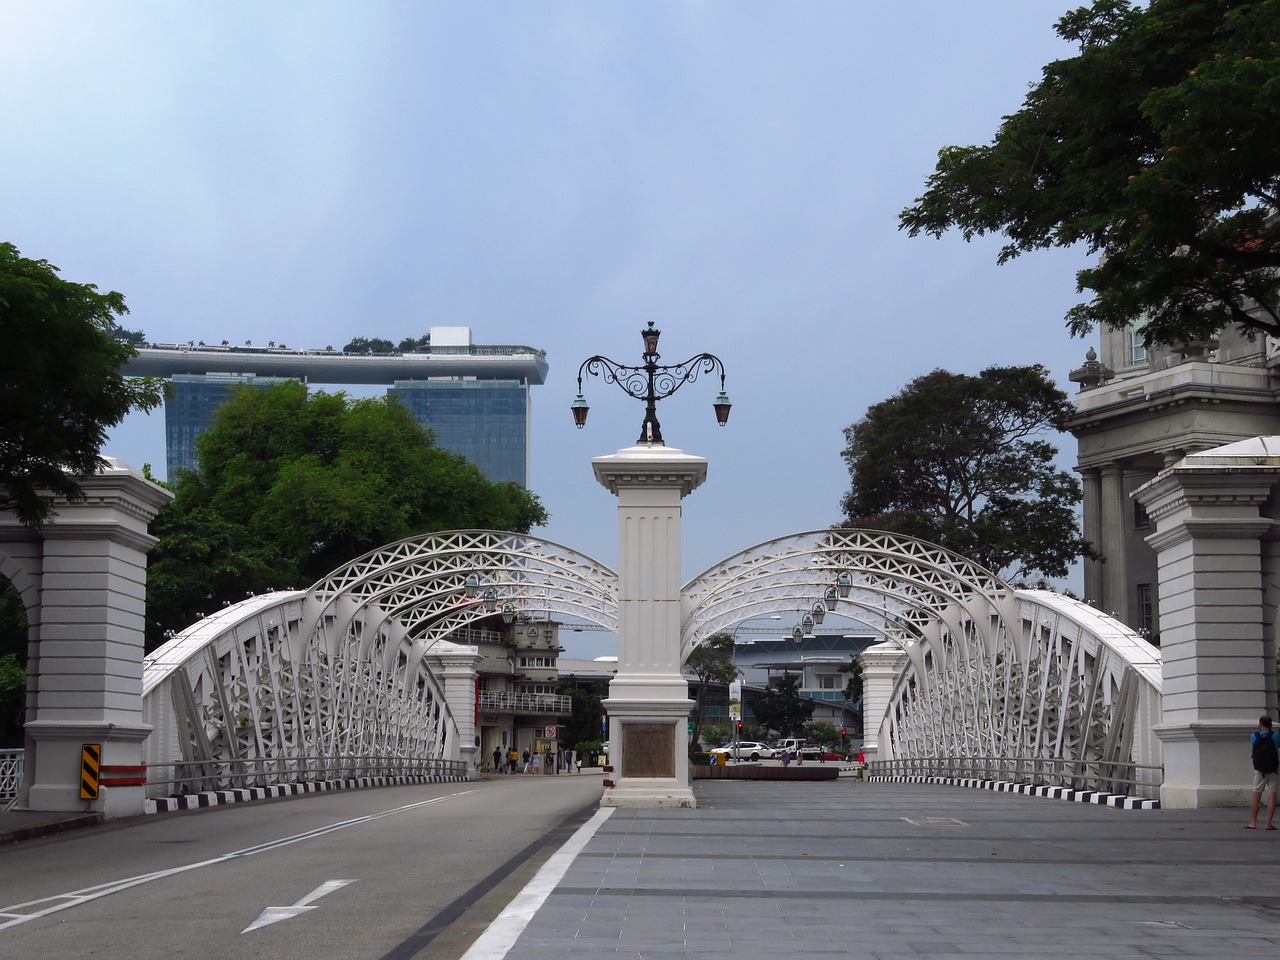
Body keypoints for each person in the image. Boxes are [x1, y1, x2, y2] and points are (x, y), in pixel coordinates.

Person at [1248, 715, 1279, 830]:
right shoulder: (1276, 736)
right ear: (1271, 724)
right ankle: (1268, 823)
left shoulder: (1254, 736)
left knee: (1256, 794)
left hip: (1259, 770)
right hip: (1273, 769)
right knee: (1272, 795)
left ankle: (1253, 822)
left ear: (1260, 724)